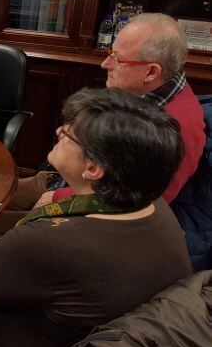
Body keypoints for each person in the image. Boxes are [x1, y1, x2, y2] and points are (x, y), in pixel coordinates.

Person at [0, 89, 192, 347]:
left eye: (68, 133)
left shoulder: (52, 238)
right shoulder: (157, 210)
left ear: (93, 169)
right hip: (95, 341)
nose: (58, 132)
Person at [14, 13, 205, 213]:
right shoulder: (144, 91)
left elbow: (140, 204)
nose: (105, 64)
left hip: (80, 205)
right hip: (63, 179)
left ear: (151, 72)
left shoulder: (178, 131)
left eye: (117, 59)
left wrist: (59, 196)